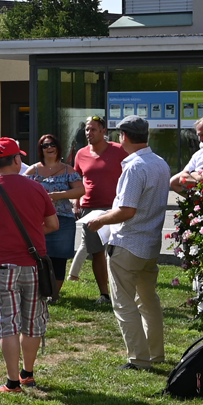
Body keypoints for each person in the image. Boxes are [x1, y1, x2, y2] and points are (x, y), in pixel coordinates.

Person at [0, 138, 59, 393]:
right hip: (34, 266)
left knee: (8, 325)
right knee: (32, 322)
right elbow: (52, 225)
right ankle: (28, 373)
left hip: (1, 266)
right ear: (17, 160)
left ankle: (12, 382)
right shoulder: (36, 188)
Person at [85, 116, 171, 370]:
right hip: (150, 243)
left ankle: (139, 358)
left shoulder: (135, 166)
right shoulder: (161, 162)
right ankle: (155, 354)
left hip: (129, 242)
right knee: (148, 300)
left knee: (124, 303)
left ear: (123, 135)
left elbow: (126, 210)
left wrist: (99, 221)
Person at [73, 115, 127, 306]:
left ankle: (122, 292)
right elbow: (78, 181)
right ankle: (104, 294)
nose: (89, 133)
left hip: (116, 208)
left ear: (104, 131)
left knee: (118, 251)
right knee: (96, 252)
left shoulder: (119, 150)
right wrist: (76, 203)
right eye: (87, 129)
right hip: (90, 209)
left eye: (93, 129)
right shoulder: (81, 154)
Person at [24, 134, 83, 299]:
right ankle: (40, 291)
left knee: (59, 259)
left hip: (63, 219)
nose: (49, 148)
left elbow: (81, 190)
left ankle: (54, 294)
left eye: (52, 145)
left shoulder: (67, 170)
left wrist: (59, 195)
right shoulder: (33, 170)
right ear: (40, 150)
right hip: (39, 220)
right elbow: (22, 191)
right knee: (39, 257)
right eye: (45, 146)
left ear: (58, 147)